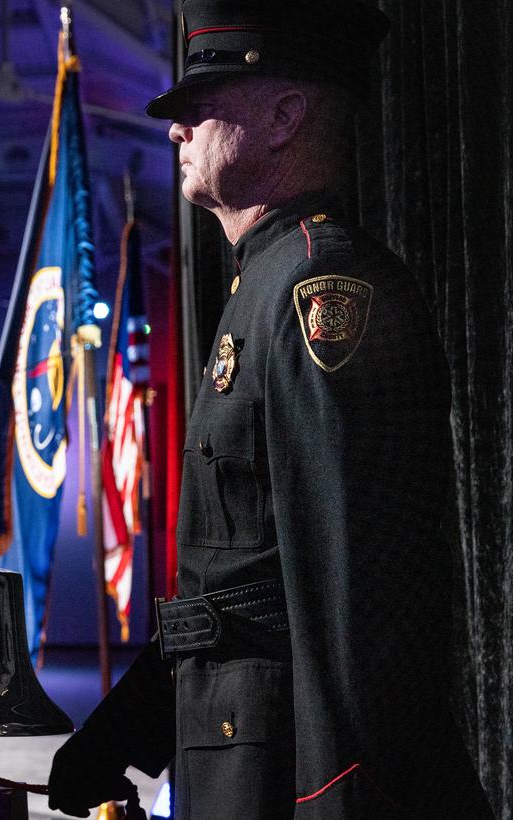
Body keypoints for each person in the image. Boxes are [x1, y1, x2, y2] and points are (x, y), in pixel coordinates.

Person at [47, 2, 493, 818]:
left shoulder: (320, 294)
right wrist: (126, 735)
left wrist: (338, 800)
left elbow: (354, 604)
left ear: (286, 115)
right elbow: (239, 587)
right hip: (239, 753)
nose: (176, 131)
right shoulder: (262, 285)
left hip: (290, 775)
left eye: (199, 105)